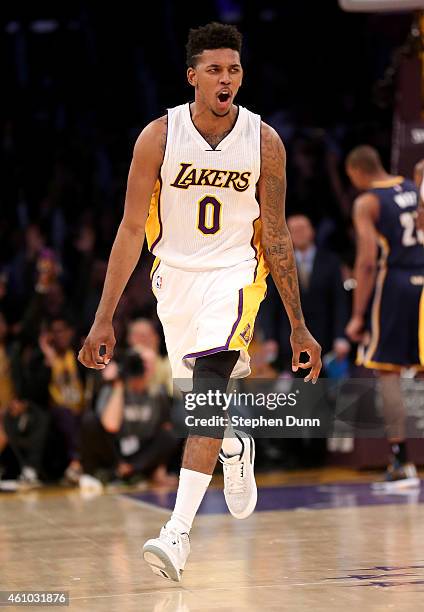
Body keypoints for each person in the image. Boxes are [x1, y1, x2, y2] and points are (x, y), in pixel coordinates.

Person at [78, 22, 321, 582]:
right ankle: (235, 442)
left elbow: (277, 235)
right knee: (202, 407)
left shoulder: (265, 142)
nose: (226, 78)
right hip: (175, 278)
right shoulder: (159, 137)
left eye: (233, 69)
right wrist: (104, 315)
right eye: (214, 68)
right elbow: (131, 228)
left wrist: (298, 325)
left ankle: (177, 531)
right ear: (192, 77)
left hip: (237, 274)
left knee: (209, 386)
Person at [345, 145, 424, 489]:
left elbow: (365, 261)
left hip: (397, 283)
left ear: (358, 172)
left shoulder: (368, 201)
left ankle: (401, 462)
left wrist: (358, 315)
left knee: (387, 371)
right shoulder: (411, 186)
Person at [81, 350, 178, 486]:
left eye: (149, 363)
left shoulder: (158, 393)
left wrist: (160, 470)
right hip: (115, 448)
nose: (144, 367)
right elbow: (111, 425)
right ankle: (115, 470)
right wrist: (119, 383)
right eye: (141, 363)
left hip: (141, 450)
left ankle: (128, 470)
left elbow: (165, 428)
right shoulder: (113, 388)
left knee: (171, 434)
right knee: (89, 421)